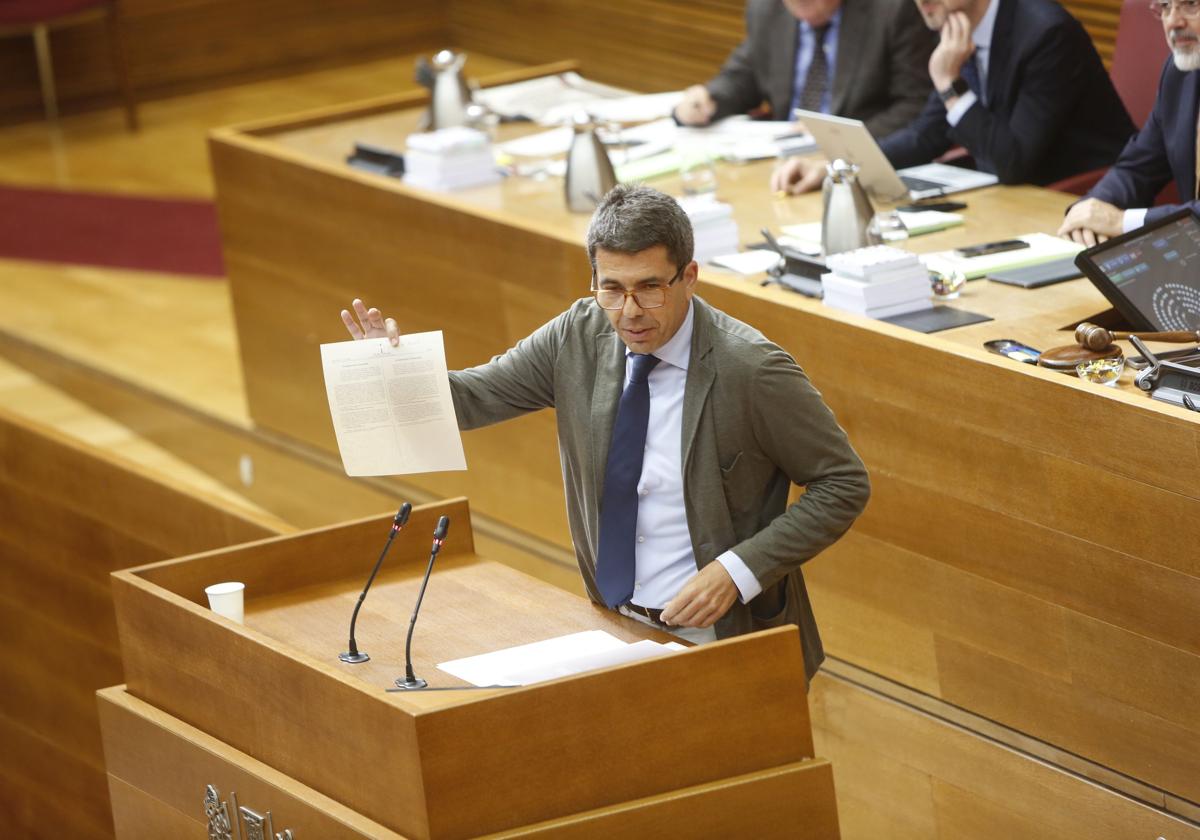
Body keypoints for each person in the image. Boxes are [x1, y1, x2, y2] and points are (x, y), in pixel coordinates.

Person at [341, 185, 870, 682]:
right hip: (615, 626)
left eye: (649, 288)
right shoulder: (579, 333)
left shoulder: (750, 369)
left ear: (689, 276)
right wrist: (391, 370)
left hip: (722, 633)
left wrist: (737, 570)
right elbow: (473, 398)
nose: (630, 312)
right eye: (611, 289)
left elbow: (842, 482)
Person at [770, 0, 1136, 194]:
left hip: (1078, 193)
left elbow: (1013, 161)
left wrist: (950, 82)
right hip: (1014, 192)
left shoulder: (1047, 34)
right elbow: (926, 134)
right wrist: (840, 166)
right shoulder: (954, 27)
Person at [673, 0, 935, 140]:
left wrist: (836, 139)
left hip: (852, 163)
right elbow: (747, 74)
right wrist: (708, 99)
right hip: (780, 157)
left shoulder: (894, 9)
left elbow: (914, 105)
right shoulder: (767, 8)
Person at [1058, 0, 1200, 246]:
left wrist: (1121, 221)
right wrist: (1093, 207)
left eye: (1190, 4)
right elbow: (1139, 166)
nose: (1173, 22)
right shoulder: (1179, 73)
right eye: (1165, 6)